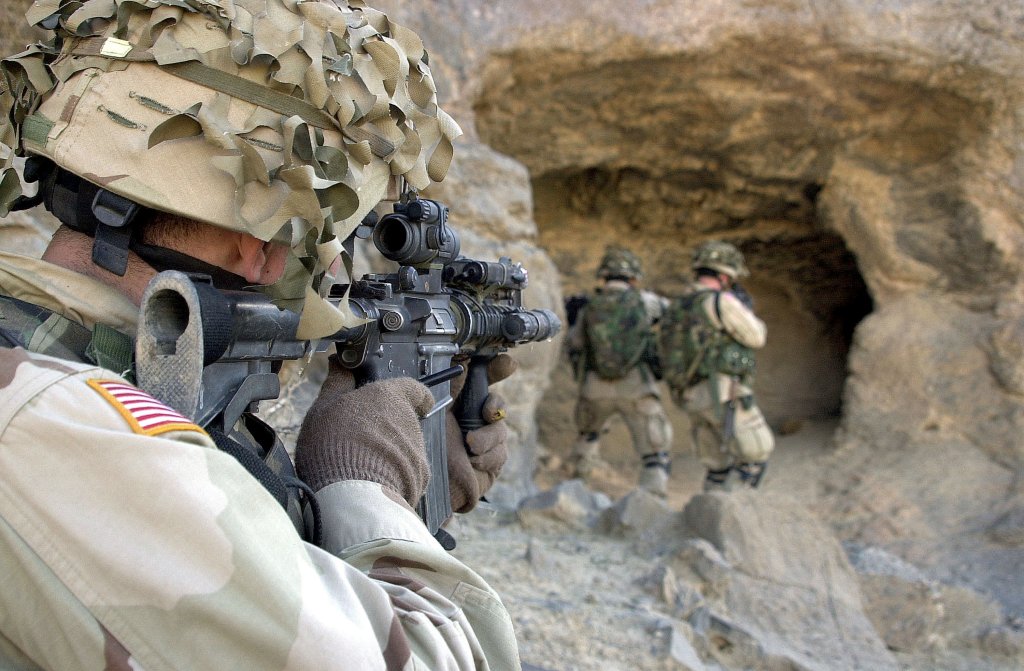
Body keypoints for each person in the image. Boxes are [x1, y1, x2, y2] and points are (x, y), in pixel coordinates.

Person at [0, 1, 521, 669]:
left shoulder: (53, 376)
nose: (334, 272)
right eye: (334, 239)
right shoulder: (59, 431)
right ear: (262, 241)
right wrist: (368, 488)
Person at [660, 240, 775, 491]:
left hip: (691, 397)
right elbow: (757, 336)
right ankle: (738, 516)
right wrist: (743, 310)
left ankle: (710, 517)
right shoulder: (720, 302)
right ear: (723, 276)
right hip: (723, 394)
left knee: (717, 467)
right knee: (755, 455)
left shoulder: (677, 305)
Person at [565, 246, 673, 497]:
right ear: (633, 278)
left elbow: (576, 343)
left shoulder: (589, 306)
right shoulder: (645, 301)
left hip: (595, 387)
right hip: (636, 385)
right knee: (654, 449)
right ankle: (652, 500)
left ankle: (577, 492)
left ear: (604, 276)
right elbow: (674, 317)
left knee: (588, 437)